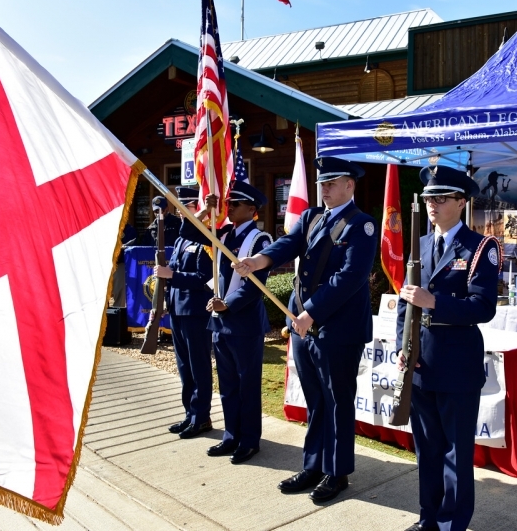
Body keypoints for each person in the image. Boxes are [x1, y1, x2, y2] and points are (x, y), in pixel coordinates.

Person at [232, 157, 377, 503]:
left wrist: (310, 312)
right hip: (302, 327)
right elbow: (287, 245)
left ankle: (337, 472)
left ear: (349, 185)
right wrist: (259, 261)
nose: (324, 189)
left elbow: (350, 278)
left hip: (337, 330)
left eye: (331, 183)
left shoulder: (362, 225)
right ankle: (314, 464)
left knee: (337, 401)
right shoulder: (312, 217)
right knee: (315, 401)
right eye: (322, 184)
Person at [396, 166, 499, 531]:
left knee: (456, 452)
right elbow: (406, 301)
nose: (432, 205)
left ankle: (451, 523)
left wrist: (434, 301)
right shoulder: (421, 245)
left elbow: (483, 307)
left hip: (456, 363)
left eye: (440, 198)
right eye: (428, 198)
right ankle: (428, 517)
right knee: (427, 451)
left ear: (461, 202)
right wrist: (400, 347)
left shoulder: (480, 247)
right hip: (421, 363)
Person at [181, 181, 273, 465]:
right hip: (220, 323)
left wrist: (228, 304)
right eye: (229, 203)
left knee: (247, 386)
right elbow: (187, 232)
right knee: (229, 385)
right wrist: (206, 211)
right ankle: (231, 435)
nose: (229, 208)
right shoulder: (222, 234)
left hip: (244, 324)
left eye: (235, 204)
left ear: (252, 209)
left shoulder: (260, 240)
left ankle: (249, 440)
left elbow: (256, 286)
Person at [154, 187, 214, 439]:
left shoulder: (207, 239)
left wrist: (173, 275)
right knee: (183, 366)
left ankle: (201, 417)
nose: (180, 213)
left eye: (185, 208)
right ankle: (190, 413)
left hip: (196, 311)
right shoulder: (181, 239)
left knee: (198, 365)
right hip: (178, 309)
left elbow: (206, 279)